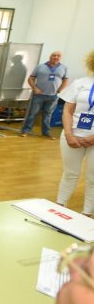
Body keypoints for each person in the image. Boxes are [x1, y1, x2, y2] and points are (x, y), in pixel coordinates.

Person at [56, 51, 94, 217]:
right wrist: (69, 135)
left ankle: (86, 213)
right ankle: (60, 206)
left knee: (93, 178)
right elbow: (67, 110)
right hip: (72, 136)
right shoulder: (81, 83)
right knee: (70, 173)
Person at [21, 51, 69, 139]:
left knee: (48, 115)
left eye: (58, 56)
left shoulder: (64, 68)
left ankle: (46, 133)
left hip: (53, 96)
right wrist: (35, 88)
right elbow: (31, 78)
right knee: (32, 114)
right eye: (54, 55)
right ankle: (25, 131)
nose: (56, 57)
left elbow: (65, 80)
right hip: (39, 95)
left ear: (60, 57)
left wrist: (60, 90)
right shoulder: (40, 66)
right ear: (50, 56)